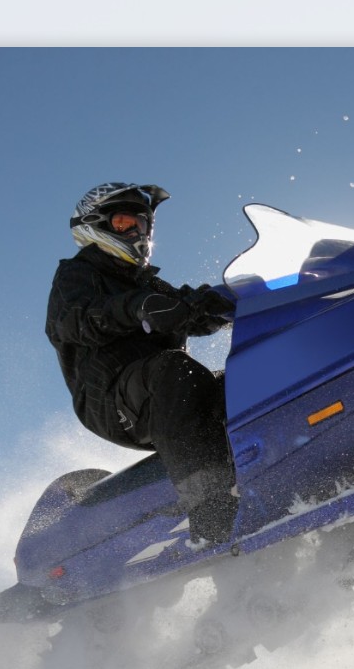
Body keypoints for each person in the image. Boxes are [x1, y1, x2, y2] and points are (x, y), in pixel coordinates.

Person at [45, 182, 240, 544]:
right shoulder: (76, 276)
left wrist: (236, 297)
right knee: (176, 368)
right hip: (110, 399)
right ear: (96, 226)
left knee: (242, 379)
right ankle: (212, 514)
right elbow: (75, 320)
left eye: (142, 225)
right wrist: (137, 308)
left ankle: (285, 463)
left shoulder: (151, 287)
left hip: (166, 393)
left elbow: (192, 310)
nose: (136, 232)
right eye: (123, 223)